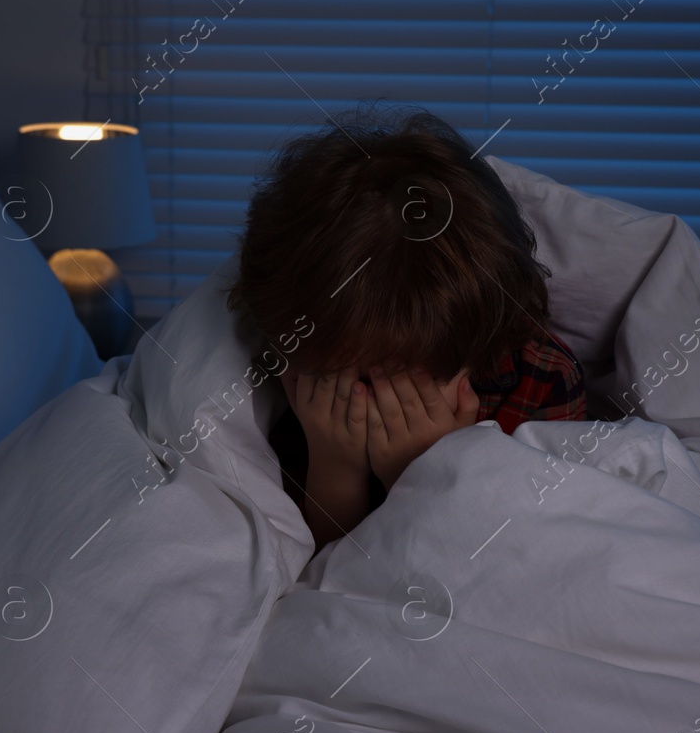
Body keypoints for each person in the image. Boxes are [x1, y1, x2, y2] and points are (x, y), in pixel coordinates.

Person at [226, 109, 586, 550]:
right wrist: (334, 469)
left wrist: (427, 472)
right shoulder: (294, 381)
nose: (384, 406)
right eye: (353, 380)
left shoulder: (540, 379)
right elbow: (314, 574)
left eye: (414, 380)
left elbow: (514, 558)